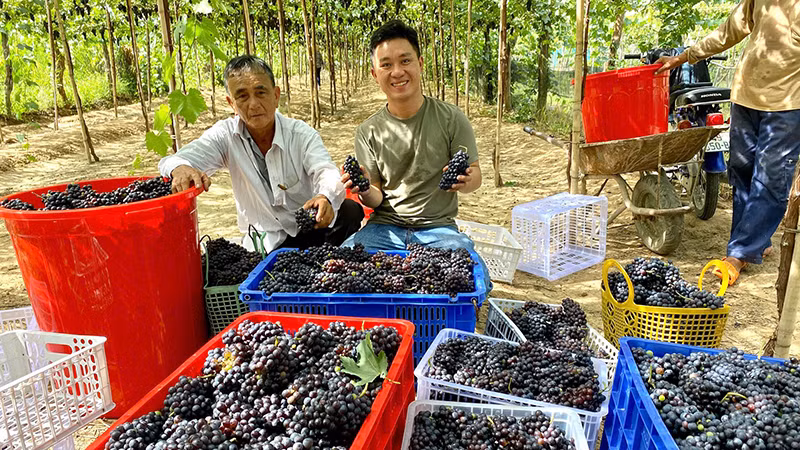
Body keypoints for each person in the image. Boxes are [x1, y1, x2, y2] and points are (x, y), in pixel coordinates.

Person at [656, 0, 800, 286]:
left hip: (788, 106)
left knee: (771, 179)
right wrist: (684, 57)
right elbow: (729, 31)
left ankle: (739, 254)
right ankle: (756, 242)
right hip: (745, 97)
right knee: (742, 171)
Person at [158, 55, 363, 253]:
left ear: (276, 95)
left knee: (350, 210)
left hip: (311, 226)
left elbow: (326, 171)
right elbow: (172, 161)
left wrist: (325, 196)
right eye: (242, 96)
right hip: (266, 242)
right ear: (231, 103)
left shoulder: (301, 135)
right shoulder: (225, 136)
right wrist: (180, 167)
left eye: (260, 92)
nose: (254, 104)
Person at [340, 20, 491, 286]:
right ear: (375, 74)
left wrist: (467, 180)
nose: (397, 72)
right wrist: (362, 188)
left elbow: (475, 175)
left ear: (420, 63)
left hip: (438, 230)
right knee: (342, 269)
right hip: (384, 229)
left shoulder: (451, 119)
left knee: (470, 275)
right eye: (386, 65)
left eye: (405, 61)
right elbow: (375, 197)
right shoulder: (368, 131)